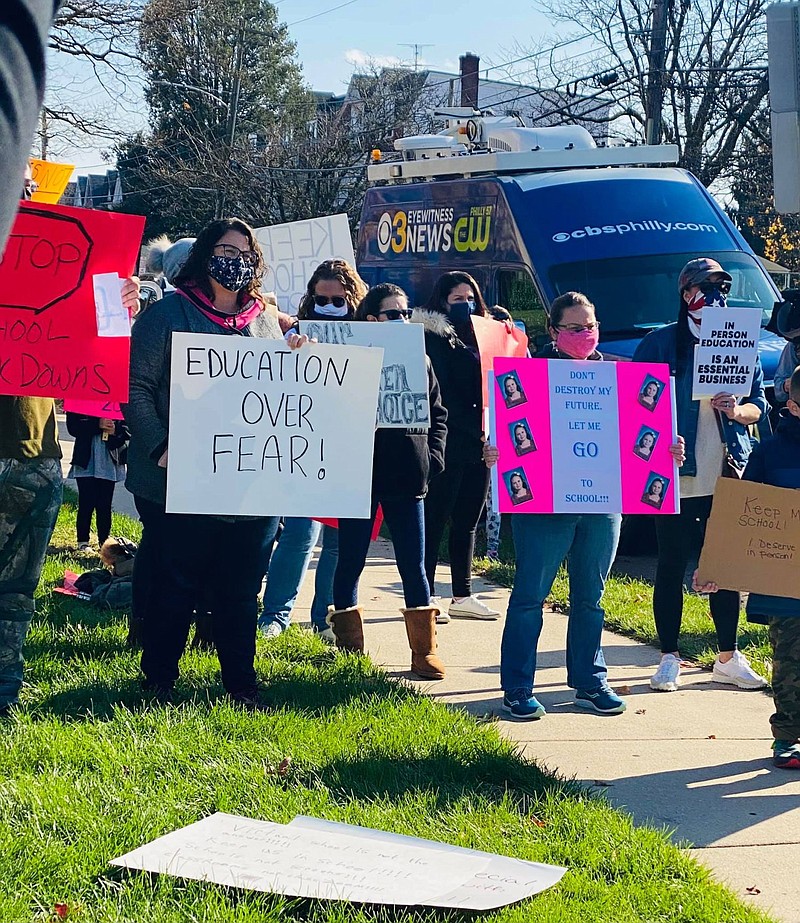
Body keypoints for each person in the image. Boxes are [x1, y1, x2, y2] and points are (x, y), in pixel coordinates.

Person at [124, 217, 308, 709]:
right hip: (175, 481)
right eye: (226, 249)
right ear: (205, 255)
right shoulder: (167, 315)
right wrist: (160, 446)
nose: (236, 259)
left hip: (249, 484)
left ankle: (241, 684)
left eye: (245, 251)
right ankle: (159, 679)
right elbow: (136, 389)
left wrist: (297, 361)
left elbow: (279, 397)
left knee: (242, 588)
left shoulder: (267, 322)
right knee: (175, 582)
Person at [485, 292, 686, 719]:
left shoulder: (621, 379)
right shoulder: (526, 377)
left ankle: (590, 681)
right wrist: (495, 450)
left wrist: (669, 450)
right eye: (575, 328)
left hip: (602, 504)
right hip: (543, 506)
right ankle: (518, 687)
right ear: (553, 332)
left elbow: (641, 440)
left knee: (591, 597)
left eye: (591, 326)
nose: (585, 335)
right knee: (529, 597)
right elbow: (503, 436)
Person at [634, 258, 769, 692]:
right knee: (671, 563)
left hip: (727, 467)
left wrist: (737, 409)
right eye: (704, 289)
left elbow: (757, 406)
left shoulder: (739, 343)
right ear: (685, 294)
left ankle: (727, 656)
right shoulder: (659, 344)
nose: (713, 299)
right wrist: (658, 440)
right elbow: (635, 408)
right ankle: (669, 655)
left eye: (720, 289)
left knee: (725, 567)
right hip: (675, 472)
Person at [327, 284, 449, 679]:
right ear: (370, 320)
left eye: (404, 312)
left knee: (413, 564)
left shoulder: (420, 359)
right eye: (393, 313)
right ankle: (349, 651)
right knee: (350, 560)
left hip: (407, 474)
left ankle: (423, 652)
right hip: (356, 475)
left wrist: (432, 459)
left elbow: (438, 413)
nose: (402, 319)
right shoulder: (344, 357)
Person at [694, 367, 800, 769]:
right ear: (792, 406)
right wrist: (718, 565)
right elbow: (741, 516)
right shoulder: (770, 453)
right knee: (790, 661)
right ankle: (788, 738)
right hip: (784, 583)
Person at [257, 260, 368, 640]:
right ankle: (275, 615)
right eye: (322, 299)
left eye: (339, 300)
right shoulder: (296, 334)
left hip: (350, 449)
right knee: (300, 533)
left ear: (353, 299)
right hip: (304, 447)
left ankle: (326, 619)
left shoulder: (369, 336)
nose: (329, 305)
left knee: (339, 542)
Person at [413, 271, 500, 622]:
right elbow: (443, 390)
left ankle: (462, 594)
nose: (465, 305)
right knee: (435, 518)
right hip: (448, 439)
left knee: (468, 520)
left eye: (470, 298)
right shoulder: (432, 338)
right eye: (457, 299)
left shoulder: (488, 337)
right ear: (442, 302)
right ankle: (426, 593)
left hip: (480, 442)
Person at [66, 412, 129, 550]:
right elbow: (73, 427)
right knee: (86, 502)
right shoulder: (81, 403)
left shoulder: (118, 401)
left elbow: (127, 429)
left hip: (109, 461)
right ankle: (83, 541)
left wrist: (115, 430)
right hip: (85, 460)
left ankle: (104, 542)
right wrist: (97, 424)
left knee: (104, 504)